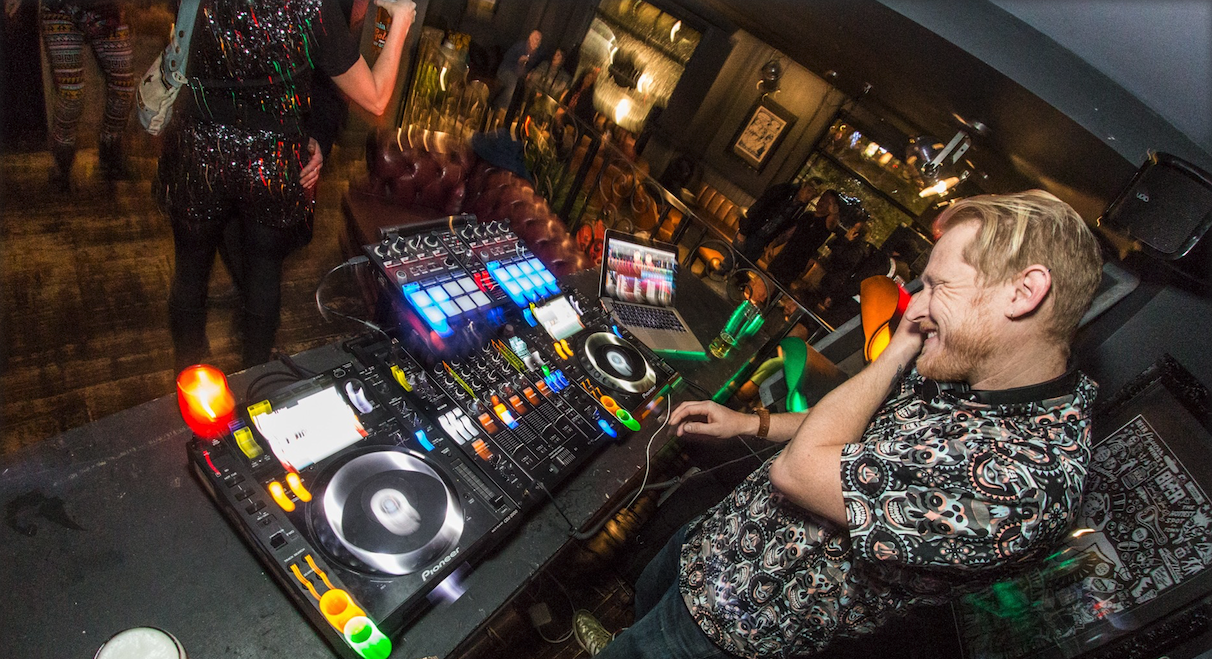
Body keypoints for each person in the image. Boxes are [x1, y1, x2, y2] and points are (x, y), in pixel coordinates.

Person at [573, 189, 1104, 659]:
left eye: (939, 286)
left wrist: (898, 350)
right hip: (715, 543)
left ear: (1023, 293)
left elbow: (801, 471)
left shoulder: (1026, 479)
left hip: (732, 626)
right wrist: (749, 423)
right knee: (641, 610)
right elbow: (850, 428)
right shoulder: (975, 365)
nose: (915, 304)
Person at [158, 0, 416, 371]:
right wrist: (401, 22)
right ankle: (253, 381)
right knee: (263, 269)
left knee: (190, 268)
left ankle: (191, 379)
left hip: (200, 147)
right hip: (270, 158)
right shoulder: (312, 6)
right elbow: (375, 98)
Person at [37, 0, 135, 188]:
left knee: (124, 87)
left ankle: (111, 149)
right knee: (71, 94)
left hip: (106, 8)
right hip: (61, 8)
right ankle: (62, 161)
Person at [765, 191, 864, 287]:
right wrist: (773, 244)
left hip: (795, 264)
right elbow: (790, 233)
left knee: (776, 286)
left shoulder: (826, 223)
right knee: (765, 278)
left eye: (827, 202)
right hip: (782, 256)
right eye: (822, 199)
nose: (821, 203)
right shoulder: (808, 216)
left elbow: (833, 221)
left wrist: (835, 211)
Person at [734, 177, 823, 264]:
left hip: (763, 240)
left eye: (814, 196)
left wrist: (770, 244)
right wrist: (743, 232)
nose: (809, 197)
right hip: (753, 230)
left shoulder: (800, 207)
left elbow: (784, 226)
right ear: (804, 186)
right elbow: (757, 208)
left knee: (744, 267)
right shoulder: (783, 190)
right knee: (729, 262)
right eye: (809, 191)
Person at [494, 29, 542, 126]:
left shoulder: (537, 55)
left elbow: (533, 69)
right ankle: (500, 110)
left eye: (538, 40)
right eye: (534, 39)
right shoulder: (519, 46)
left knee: (528, 91)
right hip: (506, 71)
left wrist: (531, 73)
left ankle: (516, 120)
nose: (536, 42)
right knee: (513, 85)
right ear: (529, 38)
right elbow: (506, 61)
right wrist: (518, 63)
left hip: (520, 78)